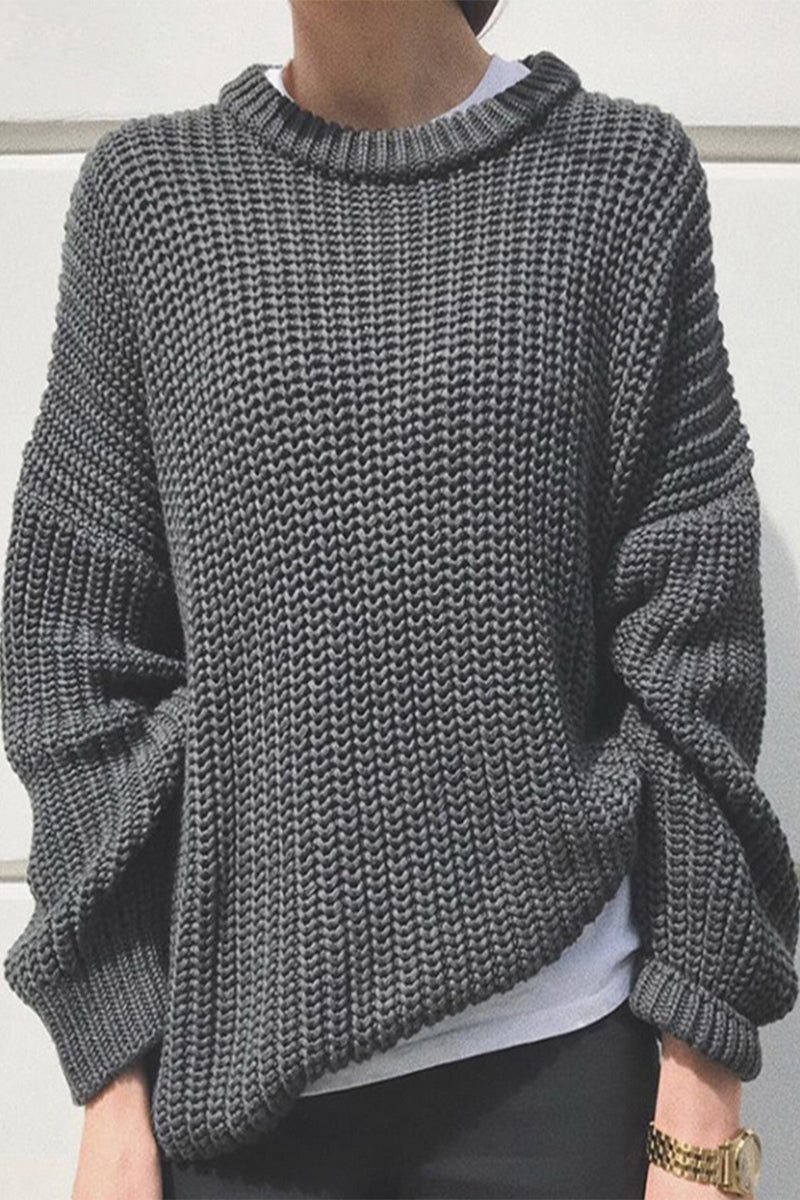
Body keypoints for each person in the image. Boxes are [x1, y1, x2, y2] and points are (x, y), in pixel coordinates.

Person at [2, 2, 798, 1198]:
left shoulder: (617, 178)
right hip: (239, 1096)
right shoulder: (152, 199)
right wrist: (114, 1082)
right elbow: (76, 651)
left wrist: (701, 1117)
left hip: (557, 1074)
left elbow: (692, 650)